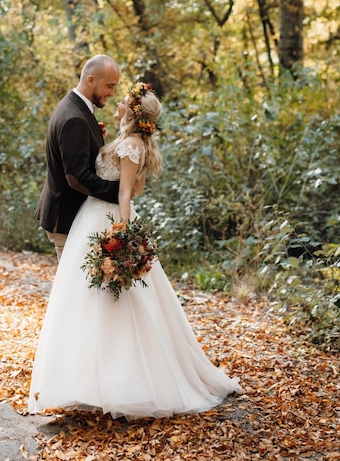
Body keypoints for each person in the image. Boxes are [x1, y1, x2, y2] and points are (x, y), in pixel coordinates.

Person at [28, 83, 242, 419]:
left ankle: (119, 382)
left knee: (111, 301)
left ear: (133, 113)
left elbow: (127, 194)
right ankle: (91, 380)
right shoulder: (129, 143)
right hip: (94, 216)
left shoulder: (130, 146)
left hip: (107, 219)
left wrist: (124, 236)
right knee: (92, 299)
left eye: (123, 102)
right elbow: (130, 183)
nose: (116, 105)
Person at [35, 54, 121, 260]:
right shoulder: (75, 118)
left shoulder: (75, 107)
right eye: (109, 86)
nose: (112, 93)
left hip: (73, 216)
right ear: (91, 79)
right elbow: (76, 176)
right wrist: (119, 192)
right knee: (71, 291)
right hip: (67, 217)